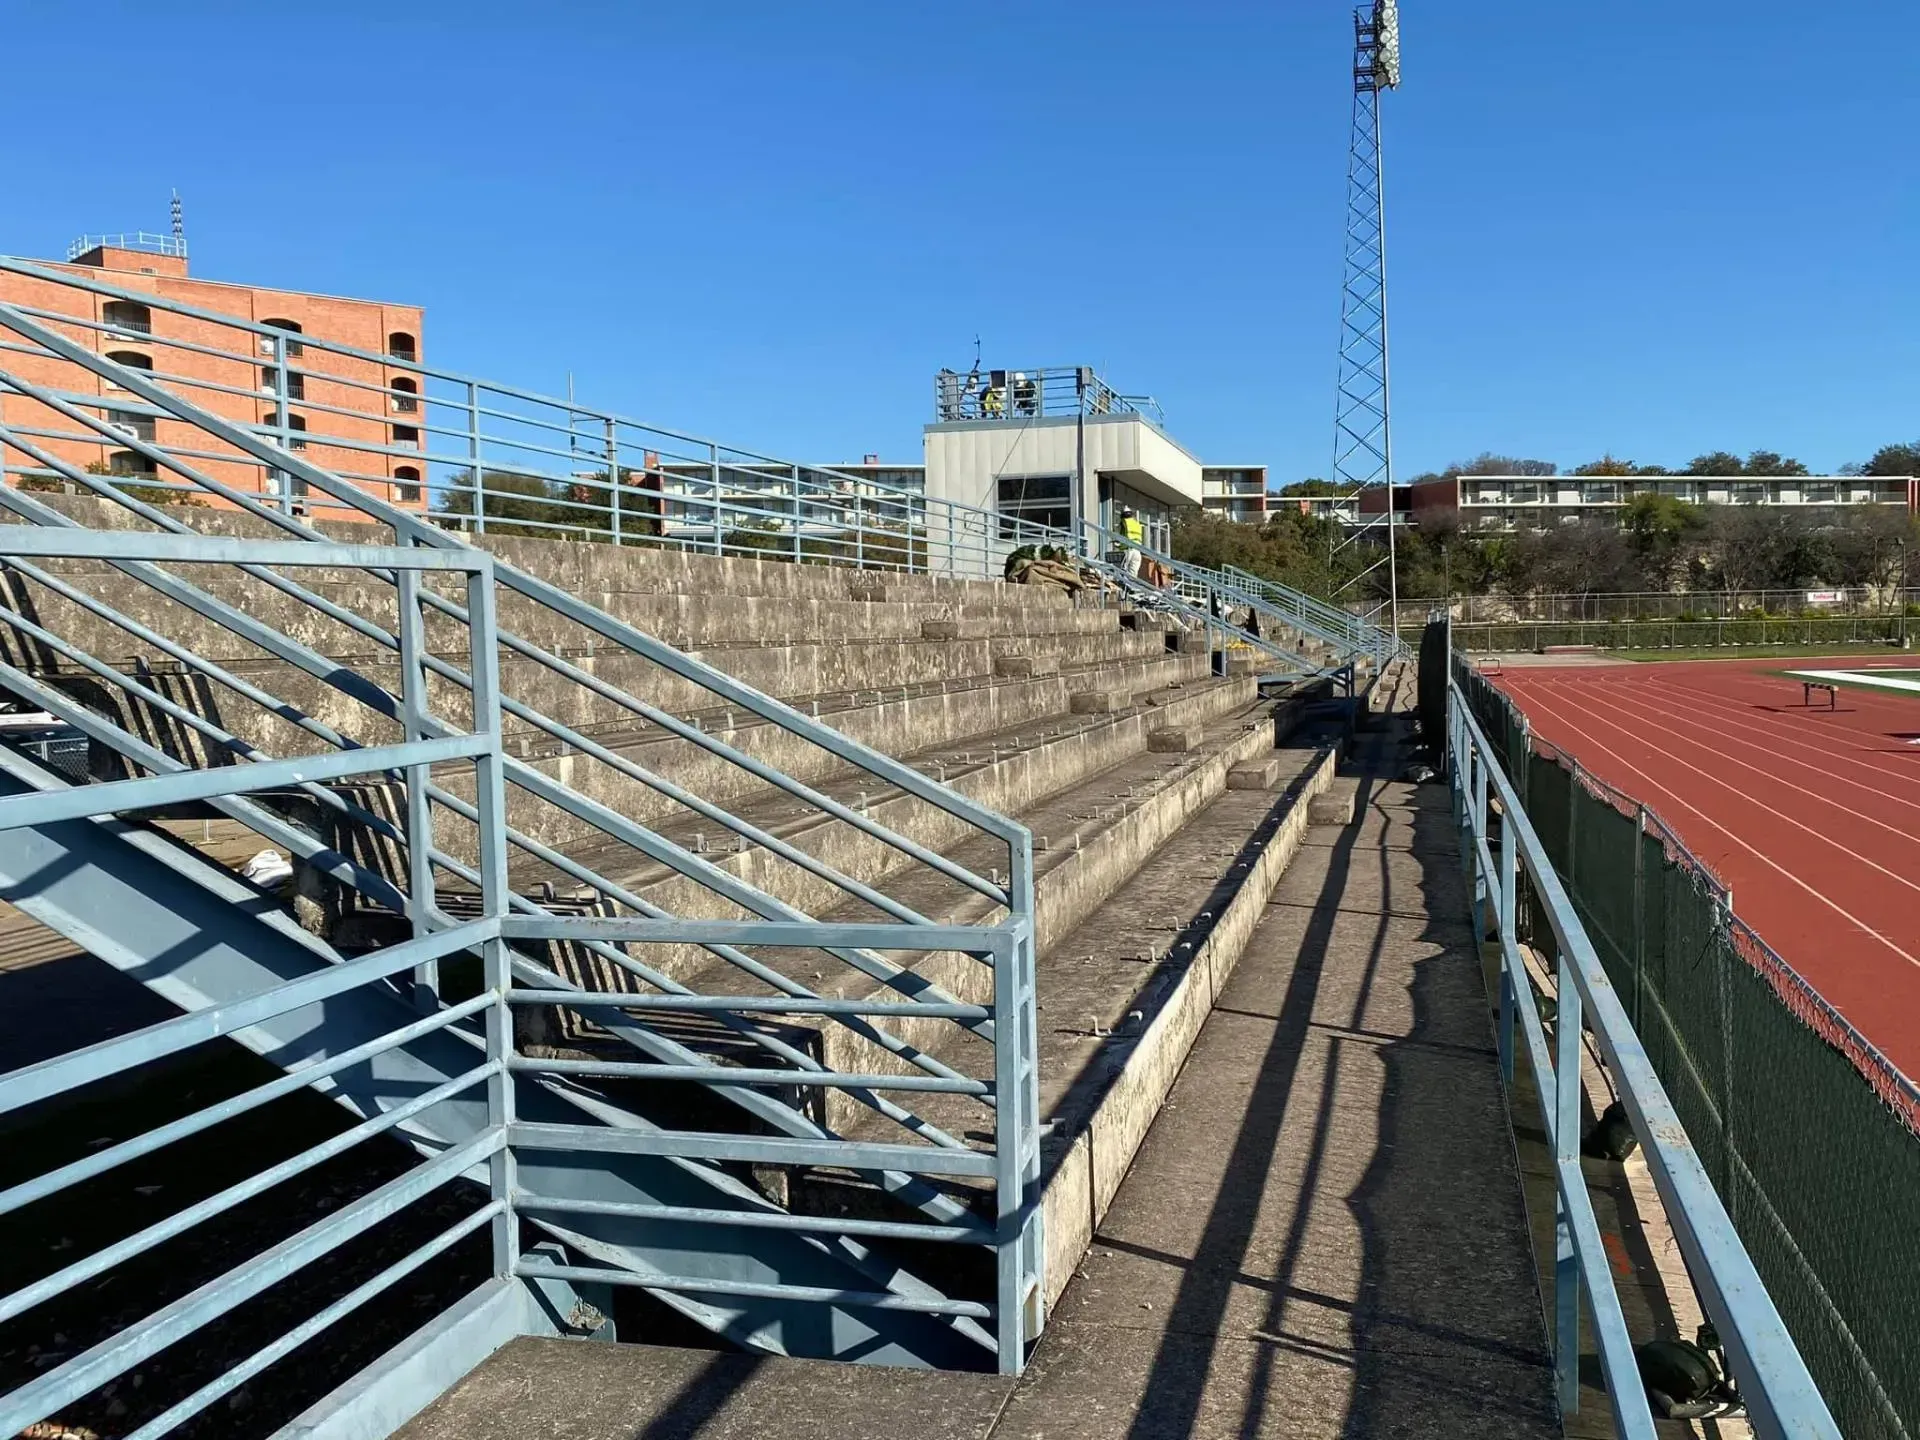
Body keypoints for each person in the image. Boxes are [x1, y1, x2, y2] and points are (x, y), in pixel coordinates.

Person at [1119, 508, 1145, 579]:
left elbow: (1121, 535)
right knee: (1133, 573)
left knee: (1122, 570)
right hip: (1137, 551)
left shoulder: (1124, 521)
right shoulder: (1137, 524)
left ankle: (1123, 587)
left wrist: (1118, 544)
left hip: (1128, 550)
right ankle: (1130, 587)